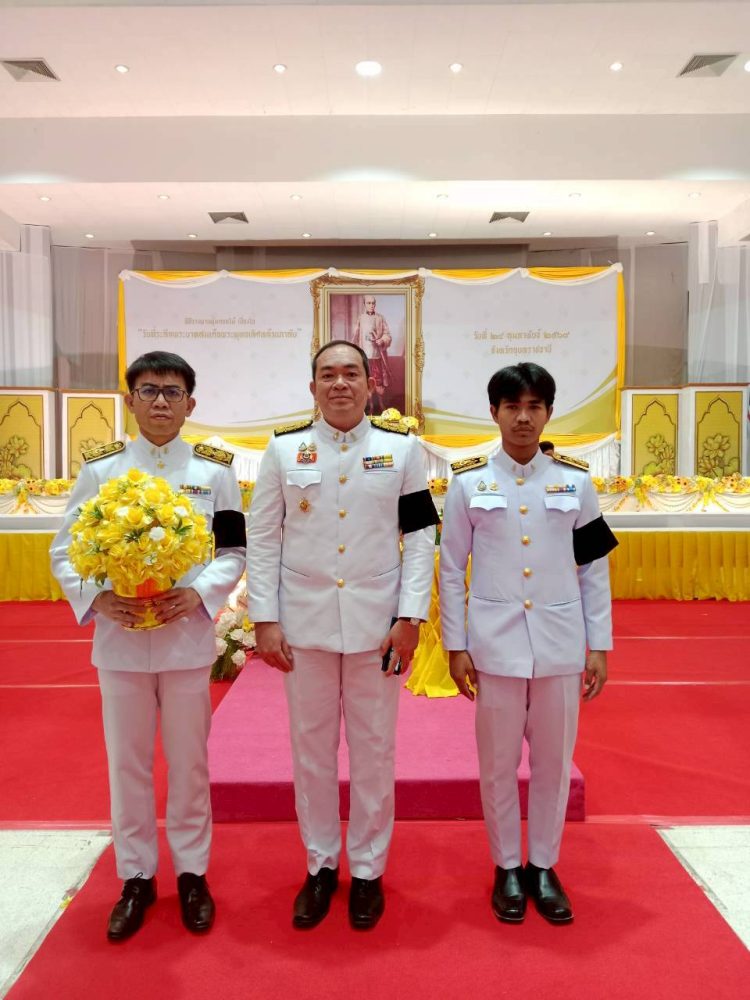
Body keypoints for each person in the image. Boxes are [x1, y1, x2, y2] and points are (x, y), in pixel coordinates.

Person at [50, 351, 246, 941]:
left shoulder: (215, 471)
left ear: (191, 403)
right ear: (130, 400)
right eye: (149, 390)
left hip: (186, 641)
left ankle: (192, 873)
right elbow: (64, 550)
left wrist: (199, 594)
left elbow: (233, 550)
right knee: (127, 763)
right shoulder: (102, 470)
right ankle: (136, 877)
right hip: (121, 642)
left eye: (173, 391)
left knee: (190, 762)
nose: (161, 400)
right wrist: (97, 598)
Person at [246, 340, 438, 931]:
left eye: (351, 373)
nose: (339, 383)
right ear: (312, 388)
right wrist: (264, 618)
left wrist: (410, 617)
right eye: (327, 374)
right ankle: (321, 865)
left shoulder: (402, 450)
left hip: (378, 627)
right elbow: (264, 538)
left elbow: (420, 538)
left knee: (375, 751)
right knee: (311, 751)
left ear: (369, 383)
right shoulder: (283, 450)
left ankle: (370, 870)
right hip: (302, 625)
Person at [439, 362, 617, 926]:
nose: (523, 417)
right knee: (497, 764)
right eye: (512, 407)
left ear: (548, 413)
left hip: (561, 644)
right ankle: (506, 866)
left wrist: (598, 643)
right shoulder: (468, 483)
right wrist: (455, 645)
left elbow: (593, 569)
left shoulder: (576, 482)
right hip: (494, 645)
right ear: (493, 412)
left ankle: (543, 865)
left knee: (553, 763)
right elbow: (450, 570)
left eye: (534, 406)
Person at [352, 295, 392, 414]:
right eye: (369, 303)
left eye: (373, 303)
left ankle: (381, 403)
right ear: (364, 304)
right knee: (365, 380)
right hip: (364, 357)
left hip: (377, 356)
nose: (371, 305)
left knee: (378, 380)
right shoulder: (360, 318)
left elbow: (387, 334)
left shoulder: (380, 318)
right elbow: (355, 336)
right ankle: (370, 405)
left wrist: (382, 340)